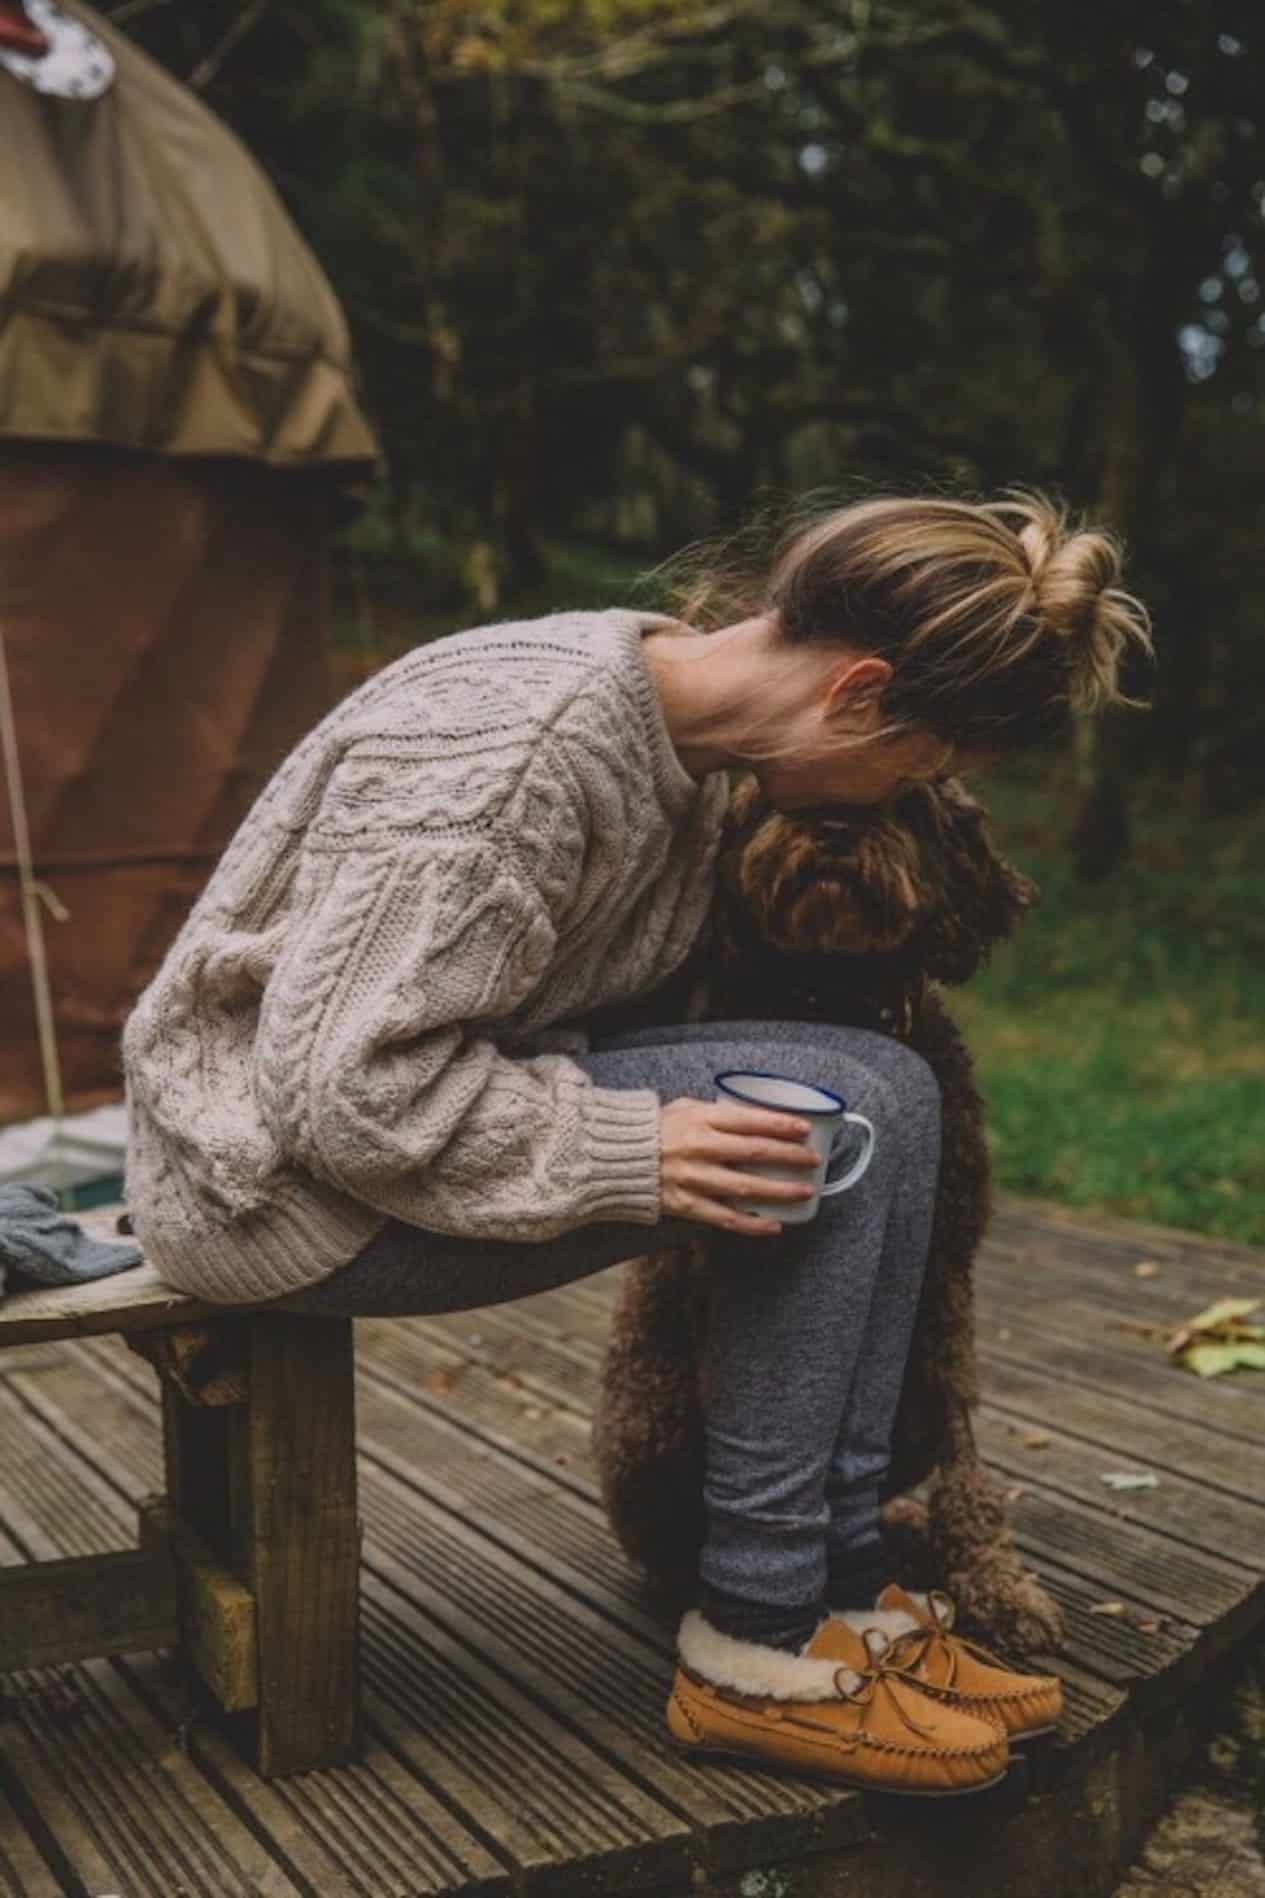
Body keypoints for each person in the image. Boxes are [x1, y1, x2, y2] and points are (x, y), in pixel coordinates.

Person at [120, 486, 1153, 1797]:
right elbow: (341, 1091)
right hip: (273, 1186)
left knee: (886, 1092)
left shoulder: (671, 720)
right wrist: (632, 1146)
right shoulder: (508, 764)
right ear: (857, 695)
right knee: (825, 1130)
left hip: (409, 1122)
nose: (901, 798)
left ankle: (842, 1594)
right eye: (916, 771)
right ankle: (757, 1642)